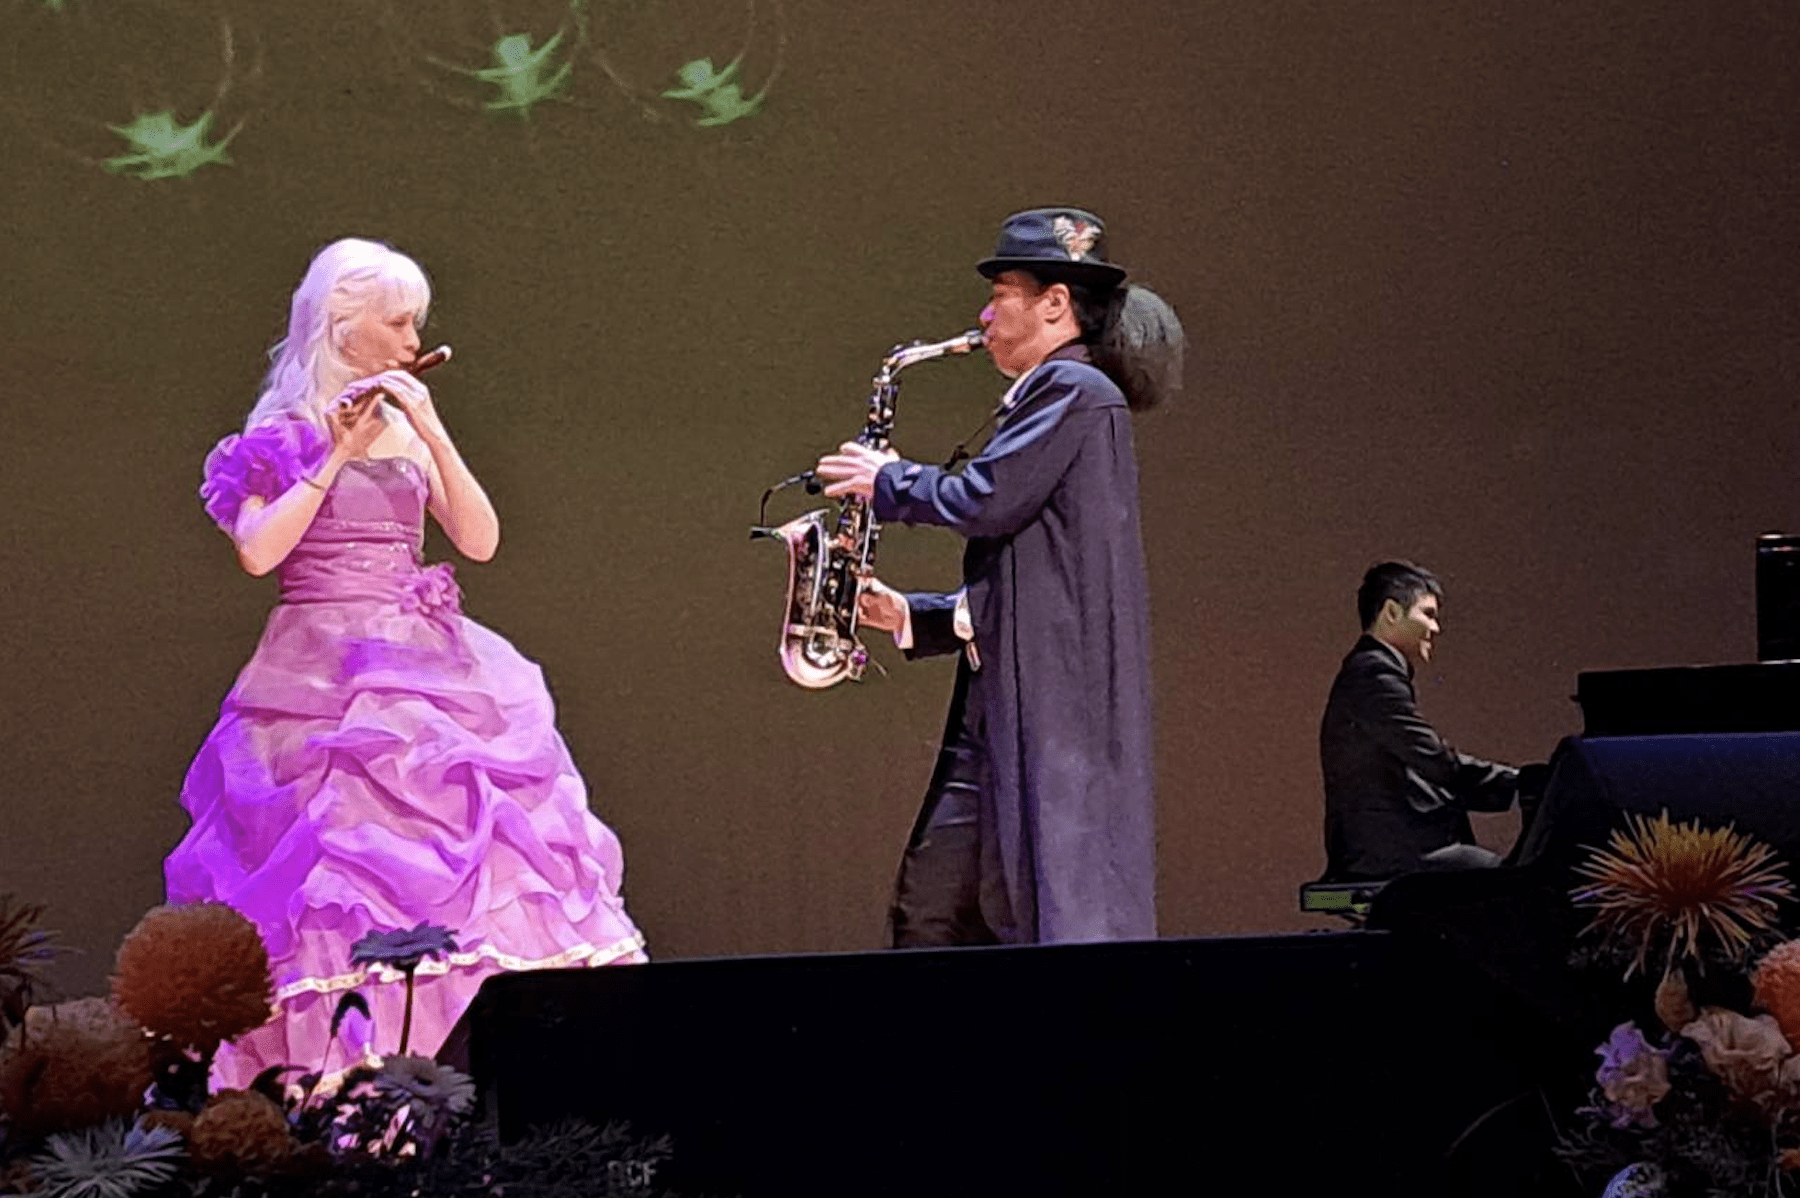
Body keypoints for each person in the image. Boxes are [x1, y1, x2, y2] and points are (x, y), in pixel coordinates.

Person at [166, 238, 645, 1088]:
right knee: (336, 863)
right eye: (396, 322)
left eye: (414, 323)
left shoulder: (408, 428)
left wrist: (429, 428)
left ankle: (487, 1076)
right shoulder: (277, 436)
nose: (412, 338)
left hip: (425, 667)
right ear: (341, 325)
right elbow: (259, 552)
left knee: (476, 839)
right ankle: (346, 1083)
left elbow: (480, 541)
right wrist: (335, 453)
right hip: (318, 672)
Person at [813, 207, 1185, 945]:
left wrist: (888, 480)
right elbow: (1042, 575)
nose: (984, 315)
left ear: (1055, 303)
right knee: (934, 910)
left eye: (1000, 294)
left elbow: (987, 499)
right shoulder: (1060, 395)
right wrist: (916, 615)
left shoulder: (1075, 389)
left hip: (1046, 713)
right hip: (1000, 703)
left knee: (1026, 914)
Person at [1319, 561, 1524, 881]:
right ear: (1391, 612)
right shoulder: (1374, 674)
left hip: (1386, 848)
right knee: (1515, 886)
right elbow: (1433, 758)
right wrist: (1520, 785)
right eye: (1428, 614)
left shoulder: (1370, 670)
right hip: (1390, 853)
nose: (1435, 628)